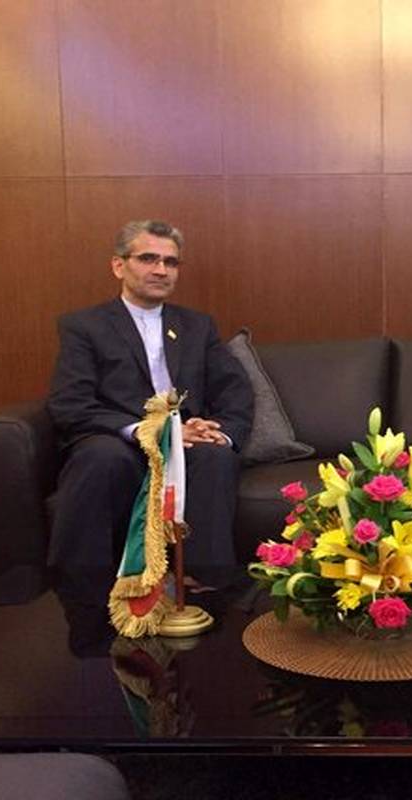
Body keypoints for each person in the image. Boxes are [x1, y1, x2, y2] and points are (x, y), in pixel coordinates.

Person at [47, 220, 253, 604]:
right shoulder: (84, 326)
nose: (161, 270)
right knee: (102, 458)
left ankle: (205, 584)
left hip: (186, 440)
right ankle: (86, 586)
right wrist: (150, 431)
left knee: (216, 455)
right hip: (119, 437)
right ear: (118, 265)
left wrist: (218, 430)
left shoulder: (197, 325)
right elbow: (70, 403)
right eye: (148, 259)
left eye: (170, 262)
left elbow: (235, 389)